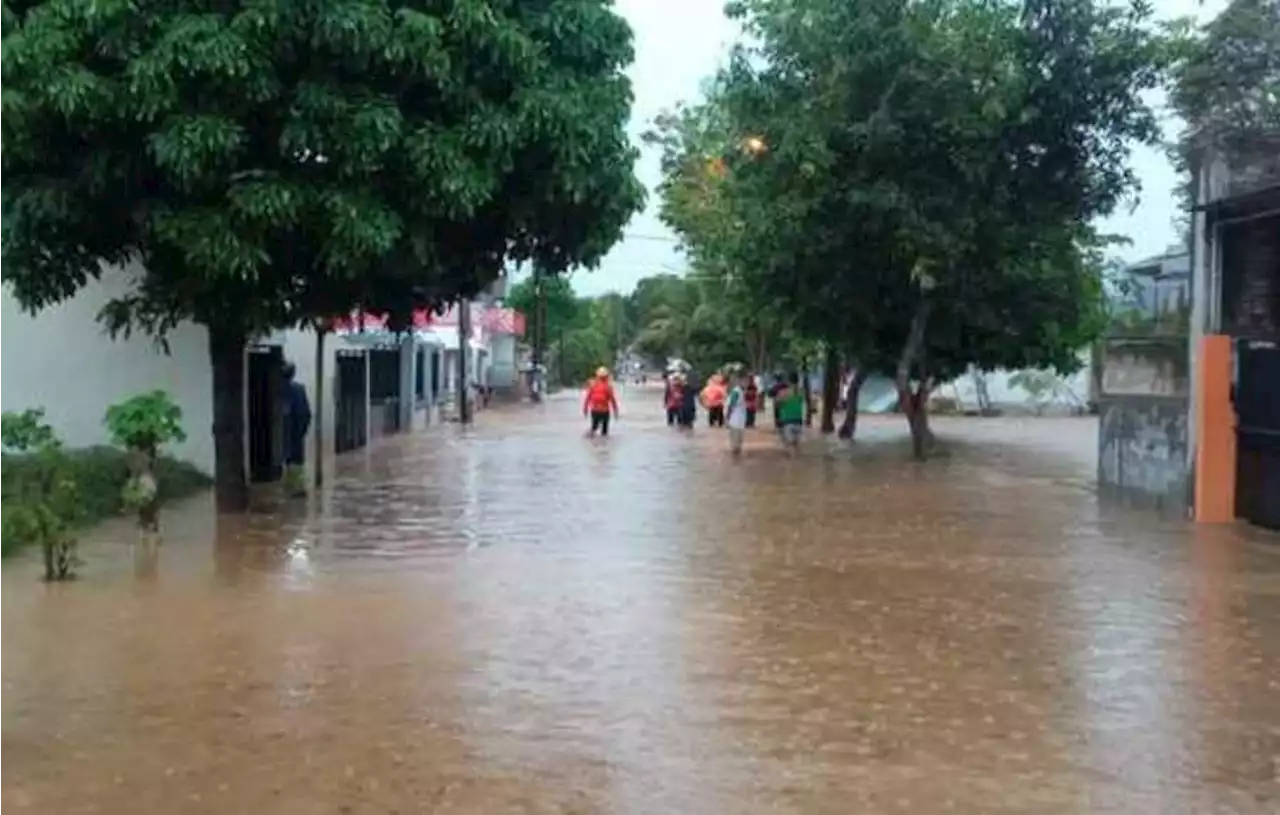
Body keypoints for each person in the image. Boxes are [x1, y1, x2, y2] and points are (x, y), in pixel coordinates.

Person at [282, 362, 311, 496]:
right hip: (296, 433)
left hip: (289, 433)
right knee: (296, 461)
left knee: (290, 461)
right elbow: (306, 413)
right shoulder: (299, 389)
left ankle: (292, 487)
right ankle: (297, 487)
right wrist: (303, 430)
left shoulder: (280, 390)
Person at [582, 366, 619, 437]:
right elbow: (612, 400)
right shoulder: (608, 386)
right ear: (606, 376)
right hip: (604, 411)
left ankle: (589, 438)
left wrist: (585, 409)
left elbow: (587, 398)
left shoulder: (593, 385)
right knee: (604, 432)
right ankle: (603, 445)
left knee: (594, 428)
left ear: (597, 376)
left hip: (595, 410)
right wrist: (615, 411)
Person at [777, 372, 805, 454]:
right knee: (796, 445)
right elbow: (801, 402)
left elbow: (778, 404)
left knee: (789, 446)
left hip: (787, 420)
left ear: (788, 381)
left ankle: (791, 465)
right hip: (798, 420)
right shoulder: (801, 391)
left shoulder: (783, 392)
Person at [726, 372, 749, 455]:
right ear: (740, 381)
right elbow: (731, 406)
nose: (747, 383)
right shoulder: (736, 392)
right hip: (735, 421)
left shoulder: (741, 391)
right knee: (736, 446)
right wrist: (727, 418)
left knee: (738, 446)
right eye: (745, 381)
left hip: (740, 422)